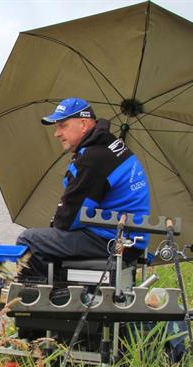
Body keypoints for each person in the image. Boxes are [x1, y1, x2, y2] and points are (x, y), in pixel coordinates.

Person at [16, 97, 150, 279]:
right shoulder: (108, 146)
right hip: (127, 238)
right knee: (48, 238)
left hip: (113, 241)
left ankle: (50, 293)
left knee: (29, 241)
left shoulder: (93, 159)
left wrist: (55, 224)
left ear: (84, 124)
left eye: (62, 126)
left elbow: (69, 220)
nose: (57, 133)